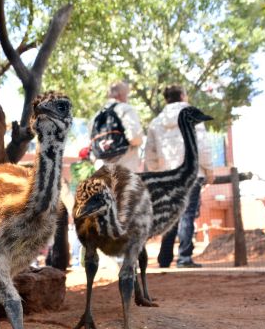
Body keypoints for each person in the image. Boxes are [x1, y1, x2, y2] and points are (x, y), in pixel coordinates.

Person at [145, 84, 214, 268]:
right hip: (191, 174)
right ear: (183, 95)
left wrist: (157, 174)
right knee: (187, 214)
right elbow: (203, 146)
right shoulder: (192, 116)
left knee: (170, 215)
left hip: (166, 176)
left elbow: (149, 153)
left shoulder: (156, 122)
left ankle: (164, 258)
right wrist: (209, 171)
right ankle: (184, 257)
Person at [90, 81, 144, 172]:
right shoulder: (126, 109)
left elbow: (92, 144)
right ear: (120, 94)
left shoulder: (97, 115)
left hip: (102, 171)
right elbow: (135, 137)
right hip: (124, 170)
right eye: (127, 95)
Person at [68, 147, 96, 267]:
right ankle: (87, 260)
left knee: (77, 231)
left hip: (75, 201)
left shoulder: (73, 168)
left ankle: (75, 259)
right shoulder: (91, 168)